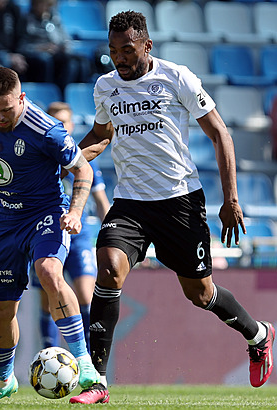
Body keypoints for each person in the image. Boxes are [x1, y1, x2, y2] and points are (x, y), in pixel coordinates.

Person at [68, 11, 275, 404]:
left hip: (180, 202)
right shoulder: (105, 86)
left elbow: (219, 133)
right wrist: (70, 159)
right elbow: (100, 136)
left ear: (147, 45)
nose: (119, 59)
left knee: (199, 294)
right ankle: (97, 380)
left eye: (127, 50)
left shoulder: (176, 77)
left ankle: (259, 335)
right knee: (109, 269)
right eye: (113, 51)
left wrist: (231, 199)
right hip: (130, 203)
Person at [0, 66, 100, 403]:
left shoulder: (47, 130)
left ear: (21, 98)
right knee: (0, 308)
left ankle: (84, 362)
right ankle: (3, 380)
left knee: (49, 270)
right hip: (3, 223)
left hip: (45, 214)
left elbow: (83, 168)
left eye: (5, 110)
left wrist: (76, 212)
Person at [32, 101, 110, 351]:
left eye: (65, 121)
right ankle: (50, 354)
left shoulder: (84, 159)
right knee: (48, 299)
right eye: (56, 121)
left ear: (73, 124)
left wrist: (110, 237)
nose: (61, 125)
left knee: (87, 296)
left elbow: (100, 202)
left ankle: (87, 358)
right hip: (46, 233)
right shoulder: (41, 156)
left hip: (78, 235)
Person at [20, 0, 92, 89]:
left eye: (49, 6)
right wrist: (41, 48)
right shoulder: (25, 20)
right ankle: (52, 92)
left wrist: (62, 46)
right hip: (38, 55)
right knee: (46, 60)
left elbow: (65, 39)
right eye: (44, 5)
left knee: (80, 61)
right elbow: (21, 47)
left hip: (56, 52)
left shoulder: (54, 18)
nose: (46, 9)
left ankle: (75, 93)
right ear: (35, 4)